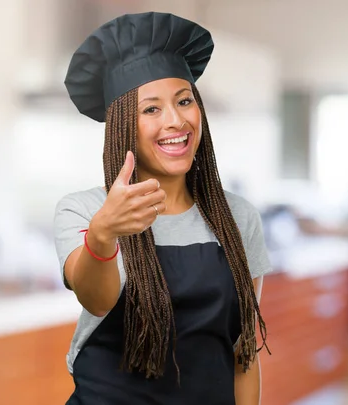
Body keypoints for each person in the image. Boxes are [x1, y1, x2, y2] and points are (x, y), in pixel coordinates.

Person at [53, 11, 272, 405]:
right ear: (124, 127)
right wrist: (103, 234)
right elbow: (96, 299)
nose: (176, 120)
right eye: (151, 109)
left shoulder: (238, 218)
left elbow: (243, 351)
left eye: (184, 101)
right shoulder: (84, 210)